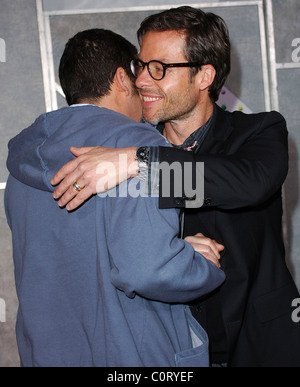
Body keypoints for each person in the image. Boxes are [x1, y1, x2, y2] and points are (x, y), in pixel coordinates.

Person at [46, 7, 300, 367]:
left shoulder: (259, 131)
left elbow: (249, 182)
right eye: (140, 65)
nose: (143, 81)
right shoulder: (126, 147)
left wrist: (140, 161)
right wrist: (176, 253)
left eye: (159, 69)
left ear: (204, 76)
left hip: (257, 343)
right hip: (168, 349)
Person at [5, 28, 225, 367]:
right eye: (140, 73)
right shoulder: (138, 146)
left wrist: (176, 250)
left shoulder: (23, 160)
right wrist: (200, 265)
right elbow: (148, 270)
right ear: (123, 79)